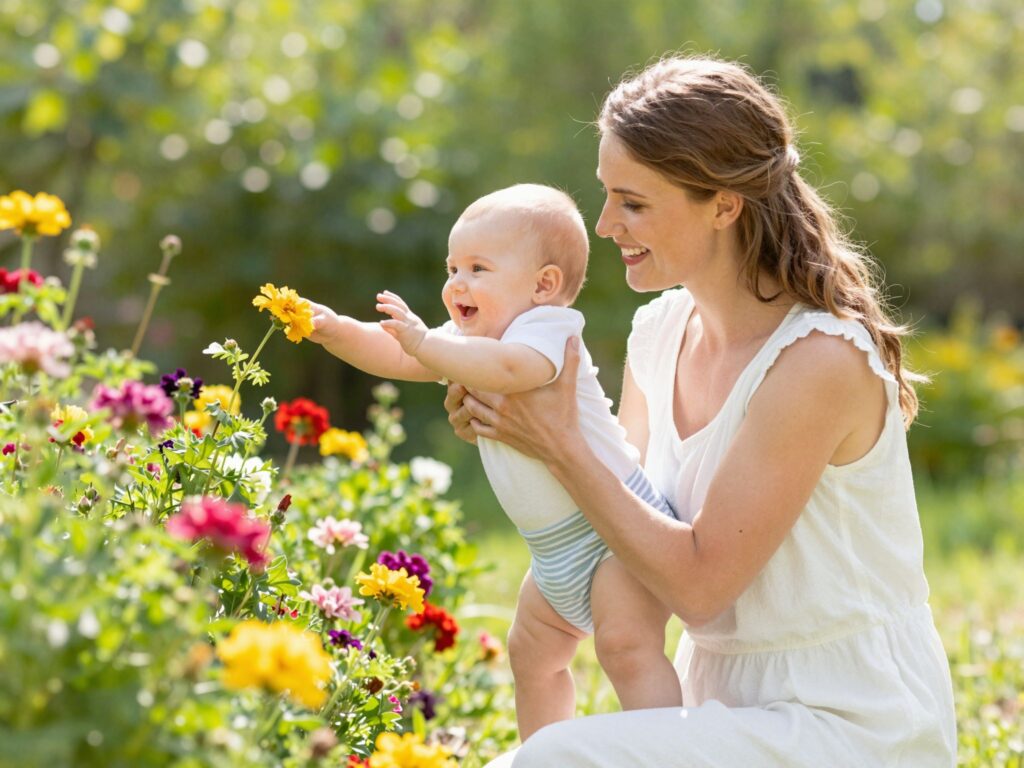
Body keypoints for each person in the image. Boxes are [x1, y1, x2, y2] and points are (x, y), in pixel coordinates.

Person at [445, 56, 957, 766]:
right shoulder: (658, 333)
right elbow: (617, 520)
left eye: (633, 203)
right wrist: (512, 428)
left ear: (723, 205)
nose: (604, 225)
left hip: (849, 723)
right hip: (715, 709)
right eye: (606, 196)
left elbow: (699, 587)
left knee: (548, 761)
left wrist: (560, 445)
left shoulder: (818, 360)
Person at [307, 183, 683, 740]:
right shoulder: (464, 340)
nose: (457, 283)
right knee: (531, 655)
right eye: (452, 267)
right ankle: (544, 753)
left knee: (626, 647)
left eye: (478, 268)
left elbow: (510, 369)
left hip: (613, 529)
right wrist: (336, 330)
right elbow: (397, 355)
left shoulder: (547, 328)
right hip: (552, 551)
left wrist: (425, 344)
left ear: (543, 285)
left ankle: (670, 751)